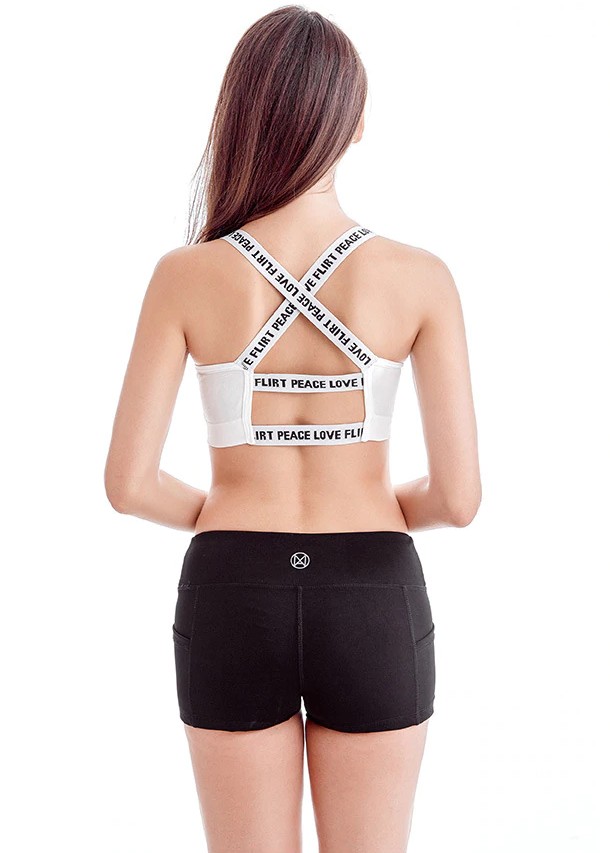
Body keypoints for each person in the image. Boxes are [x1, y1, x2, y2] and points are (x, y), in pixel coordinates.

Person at [104, 5, 481, 851]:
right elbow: (459, 500)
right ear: (354, 121)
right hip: (373, 589)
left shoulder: (186, 276)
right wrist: (374, 507)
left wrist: (230, 514)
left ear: (242, 114)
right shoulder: (419, 277)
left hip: (232, 586)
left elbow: (128, 484)